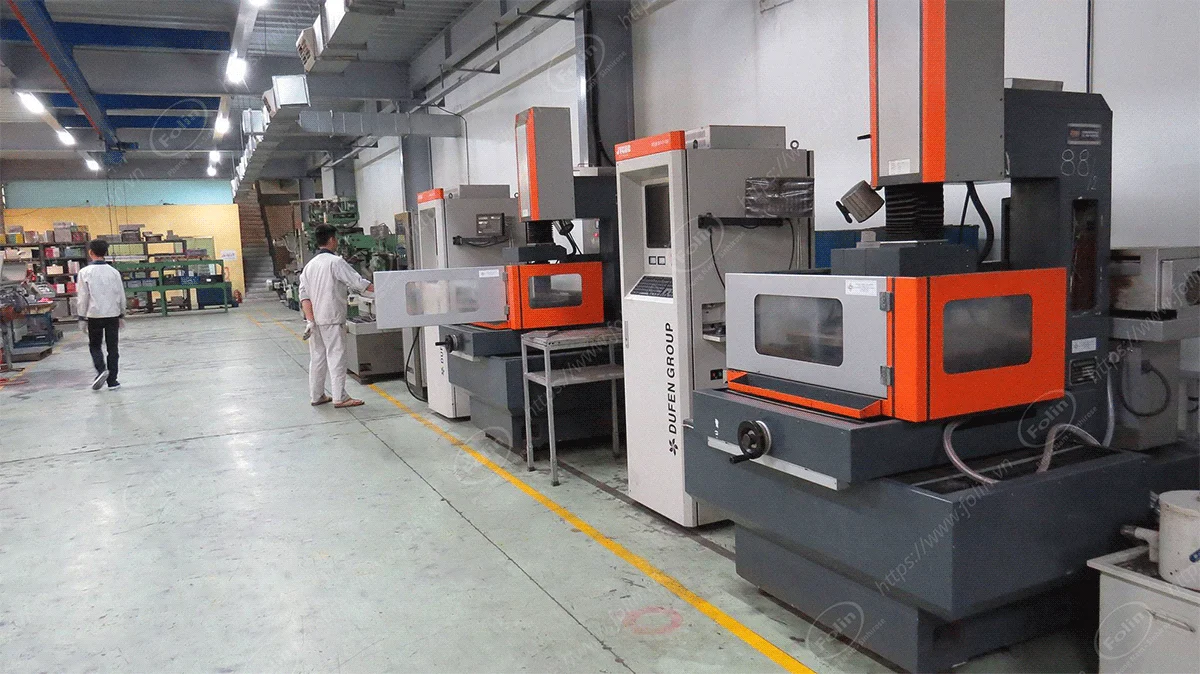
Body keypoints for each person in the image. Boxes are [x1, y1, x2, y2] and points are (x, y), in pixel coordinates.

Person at [299, 224, 374, 408]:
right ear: (332, 240)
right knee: (336, 356)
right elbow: (359, 284)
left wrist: (310, 321)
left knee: (318, 358)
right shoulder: (335, 262)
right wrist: (386, 288)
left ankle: (317, 396)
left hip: (315, 321)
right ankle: (340, 397)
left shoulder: (309, 266)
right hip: (332, 318)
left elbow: (304, 297)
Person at [76, 239, 126, 391]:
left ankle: (101, 369)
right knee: (113, 348)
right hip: (112, 315)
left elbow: (83, 297)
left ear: (90, 252)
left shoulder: (84, 272)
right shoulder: (114, 272)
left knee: (95, 345)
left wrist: (82, 317)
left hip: (94, 315)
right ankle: (112, 381)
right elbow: (121, 295)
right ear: (105, 253)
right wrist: (122, 314)